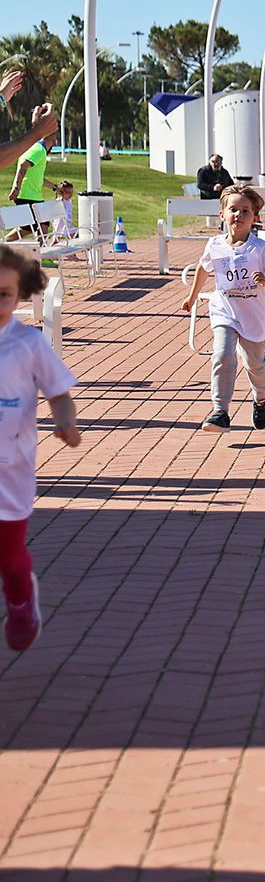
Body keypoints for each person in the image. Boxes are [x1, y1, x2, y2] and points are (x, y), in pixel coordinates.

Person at [0, 243, 81, 652]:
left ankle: (20, 600)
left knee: (8, 559)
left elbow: (59, 391)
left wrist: (64, 420)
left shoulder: (27, 345)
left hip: (8, 475)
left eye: (4, 294)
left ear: (20, 295)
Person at [181, 185, 265, 432]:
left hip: (251, 316)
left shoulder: (261, 248)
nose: (239, 215)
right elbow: (203, 268)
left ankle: (261, 399)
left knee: (255, 365)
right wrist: (192, 296)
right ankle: (220, 411)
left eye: (245, 211)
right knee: (222, 355)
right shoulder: (215, 245)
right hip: (224, 311)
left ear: (254, 217)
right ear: (222, 214)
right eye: (233, 209)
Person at [7, 135, 56, 207]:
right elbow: (23, 166)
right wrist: (16, 187)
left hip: (31, 197)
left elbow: (37, 178)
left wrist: (55, 188)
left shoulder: (37, 148)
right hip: (29, 198)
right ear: (53, 141)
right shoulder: (39, 149)